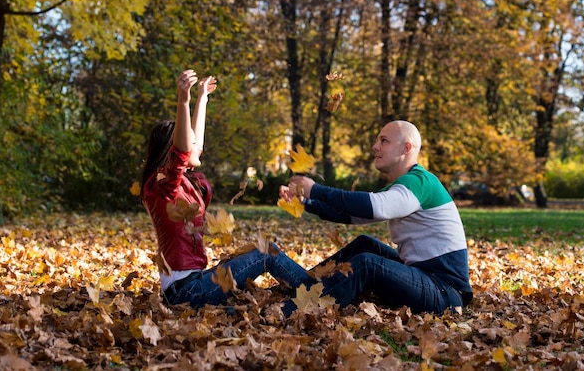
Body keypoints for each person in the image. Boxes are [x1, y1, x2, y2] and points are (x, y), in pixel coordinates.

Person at [141, 69, 313, 309]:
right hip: (186, 292)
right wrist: (184, 100)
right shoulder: (164, 186)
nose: (196, 146)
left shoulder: (177, 183)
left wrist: (202, 99)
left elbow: (192, 146)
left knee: (258, 262)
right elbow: (183, 151)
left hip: (192, 284)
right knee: (267, 253)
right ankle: (319, 294)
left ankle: (308, 290)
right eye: (187, 142)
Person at [279, 120, 473, 315]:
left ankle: (290, 311)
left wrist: (317, 190)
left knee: (367, 263)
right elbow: (353, 214)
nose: (375, 146)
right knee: (365, 244)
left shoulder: (420, 182)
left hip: (445, 292)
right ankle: (303, 287)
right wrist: (305, 201)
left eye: (384, 141)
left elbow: (375, 207)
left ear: (406, 148)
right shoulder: (404, 185)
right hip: (425, 277)